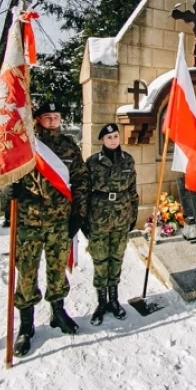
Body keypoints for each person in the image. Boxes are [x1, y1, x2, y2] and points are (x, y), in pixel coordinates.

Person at [12, 102, 87, 357]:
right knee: (26, 272)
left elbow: (80, 180)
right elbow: (8, 175)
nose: (53, 121)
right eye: (48, 117)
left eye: (56, 117)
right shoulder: (26, 145)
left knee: (57, 268)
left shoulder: (69, 146)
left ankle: (58, 311)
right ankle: (26, 324)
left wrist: (79, 213)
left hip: (59, 221)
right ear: (38, 120)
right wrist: (8, 193)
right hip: (29, 221)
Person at [85, 123, 139, 326]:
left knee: (116, 258)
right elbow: (84, 192)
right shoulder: (92, 163)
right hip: (99, 218)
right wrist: (83, 219)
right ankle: (101, 303)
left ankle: (114, 301)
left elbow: (133, 189)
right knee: (100, 260)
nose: (113, 140)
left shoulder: (127, 160)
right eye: (109, 137)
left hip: (122, 216)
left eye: (116, 136)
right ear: (102, 140)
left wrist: (133, 214)